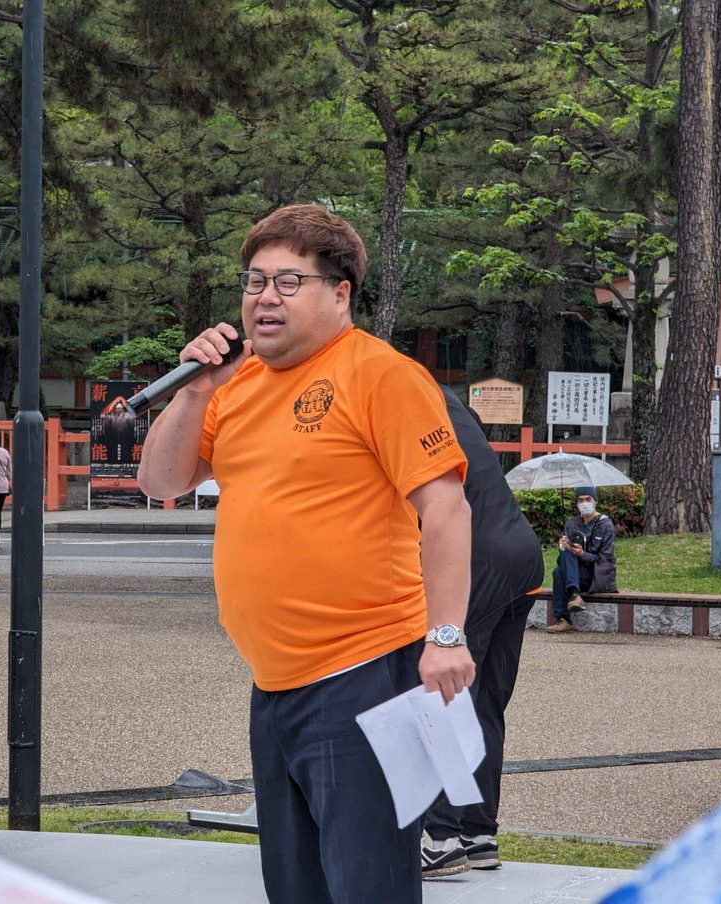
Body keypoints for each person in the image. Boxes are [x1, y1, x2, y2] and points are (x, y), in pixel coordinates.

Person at [137, 204, 473, 904]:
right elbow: (161, 481)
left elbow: (445, 509)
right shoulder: (236, 385)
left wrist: (445, 637)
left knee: (368, 885)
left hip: (367, 674)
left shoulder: (381, 375)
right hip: (274, 684)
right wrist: (198, 388)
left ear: (340, 292)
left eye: (289, 282)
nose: (265, 297)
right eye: (254, 280)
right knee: (294, 886)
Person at [420, 387, 545, 876]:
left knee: (445, 695)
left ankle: (441, 836)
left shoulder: (393, 403)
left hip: (475, 560)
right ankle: (479, 832)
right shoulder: (448, 400)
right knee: (485, 701)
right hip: (521, 553)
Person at [547, 485, 618, 634]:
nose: (584, 502)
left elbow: (605, 560)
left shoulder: (605, 525)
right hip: (576, 575)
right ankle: (574, 595)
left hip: (596, 575)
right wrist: (562, 547)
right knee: (563, 560)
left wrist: (582, 555)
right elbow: (563, 560)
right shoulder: (571, 525)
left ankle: (563, 617)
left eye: (588, 499)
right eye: (581, 500)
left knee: (558, 573)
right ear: (576, 503)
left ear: (595, 501)